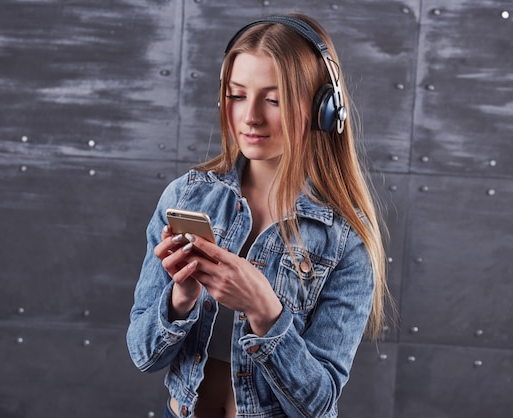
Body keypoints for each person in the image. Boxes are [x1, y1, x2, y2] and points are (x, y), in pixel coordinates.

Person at [126, 13, 389, 418]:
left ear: (323, 109)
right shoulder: (187, 197)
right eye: (236, 95)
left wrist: (265, 312)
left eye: (274, 99)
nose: (250, 117)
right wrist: (180, 299)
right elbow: (144, 356)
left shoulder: (346, 238)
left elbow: (317, 405)